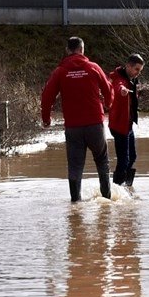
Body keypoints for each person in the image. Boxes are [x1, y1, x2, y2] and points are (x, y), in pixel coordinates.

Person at [41, 37, 114, 202]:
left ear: (67, 50)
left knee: (75, 167)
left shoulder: (60, 71)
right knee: (102, 162)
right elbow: (108, 88)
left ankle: (75, 205)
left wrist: (46, 119)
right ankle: (107, 201)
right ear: (82, 49)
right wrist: (109, 104)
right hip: (95, 124)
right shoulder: (93, 67)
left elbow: (46, 97)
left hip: (73, 127)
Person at [108, 54, 144, 186]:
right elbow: (118, 86)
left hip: (127, 124)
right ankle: (116, 189)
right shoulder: (119, 78)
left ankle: (127, 186)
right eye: (136, 69)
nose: (137, 73)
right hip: (119, 125)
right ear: (128, 66)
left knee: (132, 157)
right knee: (123, 160)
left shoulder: (131, 78)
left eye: (140, 70)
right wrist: (122, 90)